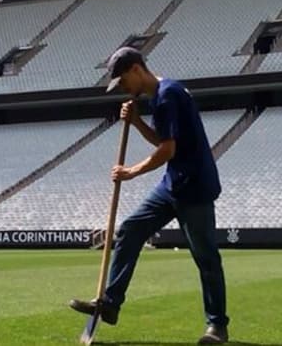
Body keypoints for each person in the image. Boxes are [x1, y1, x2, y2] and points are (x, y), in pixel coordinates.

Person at [69, 47, 230, 344]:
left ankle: (217, 326)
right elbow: (163, 139)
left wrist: (130, 172)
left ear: (136, 70)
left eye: (123, 82)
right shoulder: (159, 96)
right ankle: (111, 303)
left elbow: (168, 150)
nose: (124, 89)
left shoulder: (168, 95)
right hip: (172, 184)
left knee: (206, 257)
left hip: (194, 188)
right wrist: (137, 122)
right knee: (130, 229)